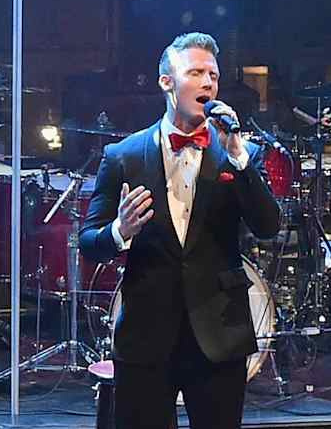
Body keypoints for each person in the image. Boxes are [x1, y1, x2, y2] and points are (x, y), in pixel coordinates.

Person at [79, 32, 281, 429]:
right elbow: (90, 242)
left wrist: (239, 158)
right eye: (195, 73)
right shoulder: (123, 156)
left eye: (213, 75)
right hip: (146, 336)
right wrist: (120, 230)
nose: (208, 83)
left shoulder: (240, 154)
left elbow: (268, 226)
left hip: (219, 332)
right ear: (166, 82)